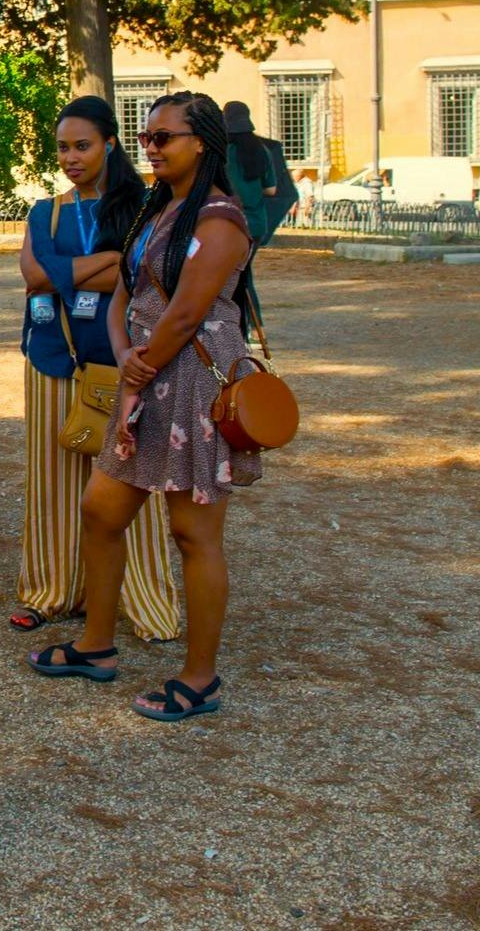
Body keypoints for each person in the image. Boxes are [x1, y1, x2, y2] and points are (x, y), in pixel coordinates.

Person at [27, 92, 256, 725]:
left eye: (166, 137)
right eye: (148, 137)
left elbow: (187, 312)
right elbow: (123, 290)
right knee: (101, 510)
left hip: (192, 383)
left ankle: (200, 677)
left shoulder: (219, 218)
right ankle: (97, 645)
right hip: (145, 377)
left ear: (202, 142)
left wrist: (142, 361)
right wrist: (126, 355)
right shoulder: (157, 210)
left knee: (193, 532)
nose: (152, 147)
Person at [12, 97, 180, 643]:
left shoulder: (145, 207)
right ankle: (52, 591)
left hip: (122, 363)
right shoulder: (45, 211)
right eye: (62, 147)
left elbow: (140, 280)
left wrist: (73, 274)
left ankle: (139, 594)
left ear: (110, 143)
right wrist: (106, 263)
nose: (70, 157)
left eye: (82, 145)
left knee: (126, 481)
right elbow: (35, 279)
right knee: (52, 482)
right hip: (53, 359)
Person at [221, 101, 294, 242]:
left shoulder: (220, 151)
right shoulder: (262, 150)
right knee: (246, 263)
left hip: (227, 221)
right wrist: (251, 189)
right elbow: (271, 190)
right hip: (255, 224)